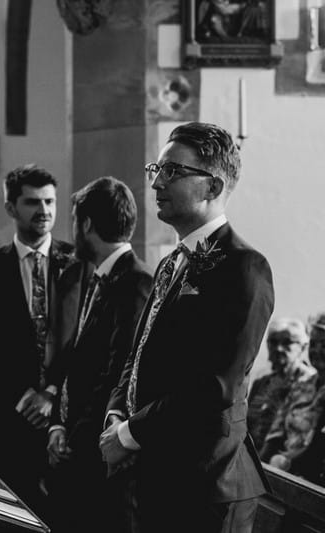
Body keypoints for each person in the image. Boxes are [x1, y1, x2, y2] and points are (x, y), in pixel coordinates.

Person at [100, 122, 274, 533]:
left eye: (172, 172)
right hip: (158, 472)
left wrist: (129, 433)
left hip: (208, 484)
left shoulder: (244, 267)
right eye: (155, 170)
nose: (157, 182)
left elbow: (216, 385)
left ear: (212, 188)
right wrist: (115, 412)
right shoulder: (171, 262)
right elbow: (139, 351)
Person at [0, 164, 90, 517]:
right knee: (17, 516)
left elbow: (85, 339)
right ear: (11, 208)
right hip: (9, 415)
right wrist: (25, 396)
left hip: (65, 413)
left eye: (50, 202)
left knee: (64, 514)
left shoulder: (77, 264)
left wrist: (51, 393)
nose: (45, 211)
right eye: (33, 202)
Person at [46, 176, 152, 533]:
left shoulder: (135, 283)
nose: (72, 228)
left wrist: (73, 443)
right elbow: (76, 361)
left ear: (86, 223)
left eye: (75, 220)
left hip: (97, 457)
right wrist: (57, 425)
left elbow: (117, 371)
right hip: (75, 441)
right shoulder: (98, 277)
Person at [261, 312, 325, 486]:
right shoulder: (303, 384)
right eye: (314, 344)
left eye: (324, 345)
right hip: (282, 470)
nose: (317, 351)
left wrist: (284, 463)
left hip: (308, 480)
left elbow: (317, 446)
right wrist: (260, 468)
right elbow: (276, 432)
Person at [247, 317, 315, 450]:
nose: (278, 348)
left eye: (287, 342)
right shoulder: (261, 382)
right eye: (273, 342)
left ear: (302, 347)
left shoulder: (309, 382)